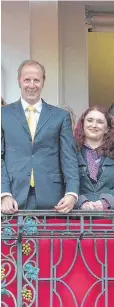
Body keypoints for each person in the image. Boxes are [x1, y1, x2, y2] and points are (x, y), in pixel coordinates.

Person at [1, 60, 79, 214]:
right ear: (19, 81)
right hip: (13, 197)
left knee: (50, 239)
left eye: (36, 80)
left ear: (43, 82)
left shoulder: (60, 116)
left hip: (53, 199)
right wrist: (4, 194)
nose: (32, 85)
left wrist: (72, 193)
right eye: (27, 80)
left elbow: (69, 157)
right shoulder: (3, 114)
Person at [73, 106, 114, 210]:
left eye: (99, 122)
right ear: (83, 124)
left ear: (107, 129)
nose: (94, 125)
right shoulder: (70, 152)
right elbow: (65, 182)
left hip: (112, 216)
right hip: (78, 217)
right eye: (90, 120)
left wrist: (106, 202)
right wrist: (81, 203)